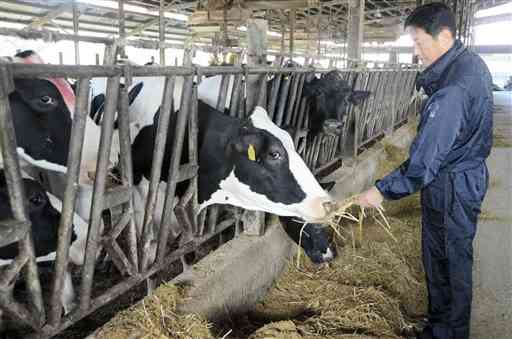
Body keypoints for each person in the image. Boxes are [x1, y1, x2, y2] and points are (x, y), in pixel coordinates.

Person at [356, 3, 493, 339]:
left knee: (446, 261)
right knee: (450, 256)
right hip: (464, 174)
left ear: (444, 36)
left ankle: (447, 333)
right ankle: (443, 326)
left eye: (419, 43)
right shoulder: (469, 63)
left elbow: (423, 164)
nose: (416, 52)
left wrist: (381, 190)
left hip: (451, 184)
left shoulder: (451, 92)